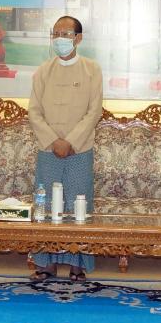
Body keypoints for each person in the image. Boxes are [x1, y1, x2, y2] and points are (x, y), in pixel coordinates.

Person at [27, 15, 103, 281]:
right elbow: (34, 111)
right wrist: (54, 140)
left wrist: (71, 141)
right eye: (56, 34)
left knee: (77, 205)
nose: (60, 39)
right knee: (46, 204)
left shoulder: (92, 69)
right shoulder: (43, 71)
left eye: (66, 34)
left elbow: (94, 111)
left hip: (79, 149)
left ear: (78, 39)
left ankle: (77, 264)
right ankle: (45, 263)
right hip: (48, 149)